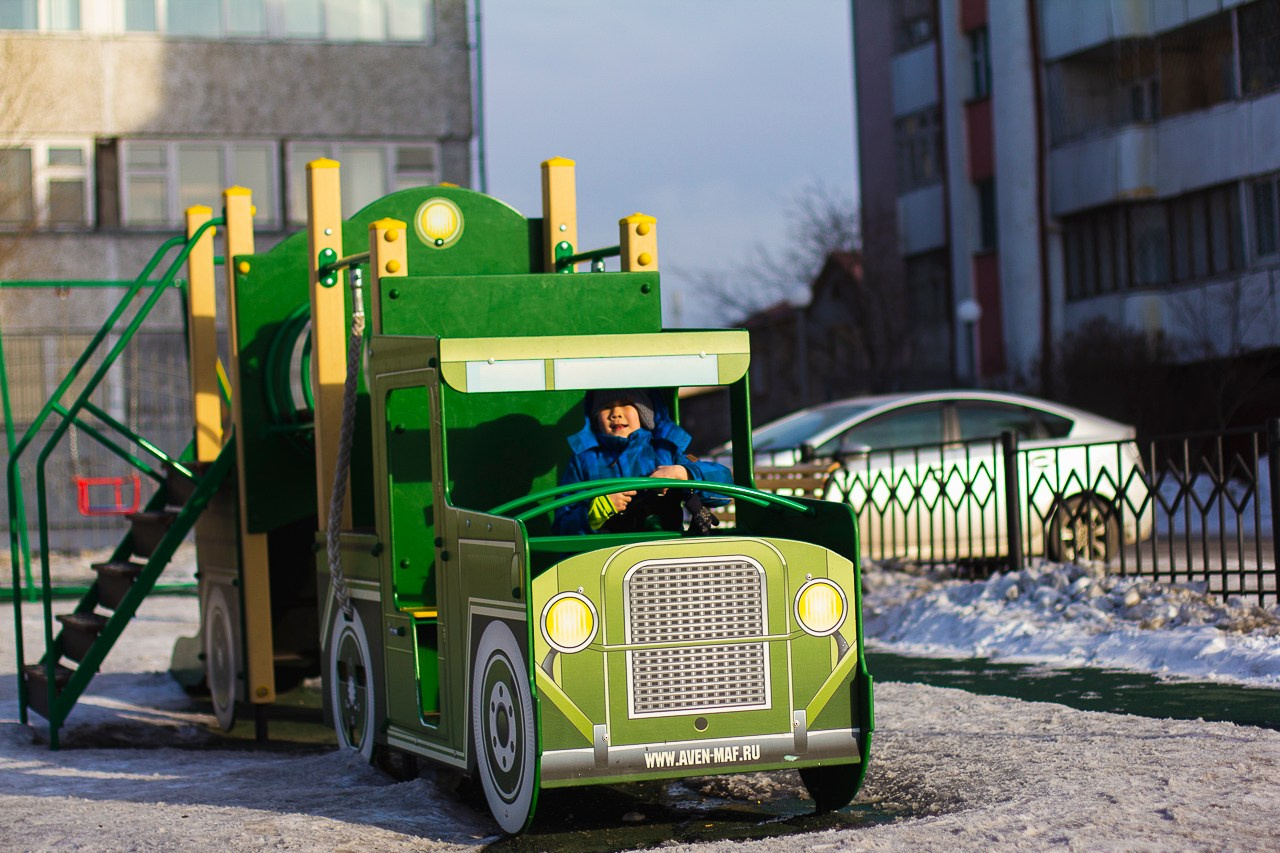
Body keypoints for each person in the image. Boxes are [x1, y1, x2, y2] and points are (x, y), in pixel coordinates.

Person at [552, 388, 732, 535]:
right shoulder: (584, 461)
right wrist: (593, 513)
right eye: (606, 407)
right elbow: (561, 525)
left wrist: (684, 474)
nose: (616, 414)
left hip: (661, 554)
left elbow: (723, 486)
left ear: (643, 412)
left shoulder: (664, 451)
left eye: (625, 404)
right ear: (595, 418)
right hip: (604, 557)